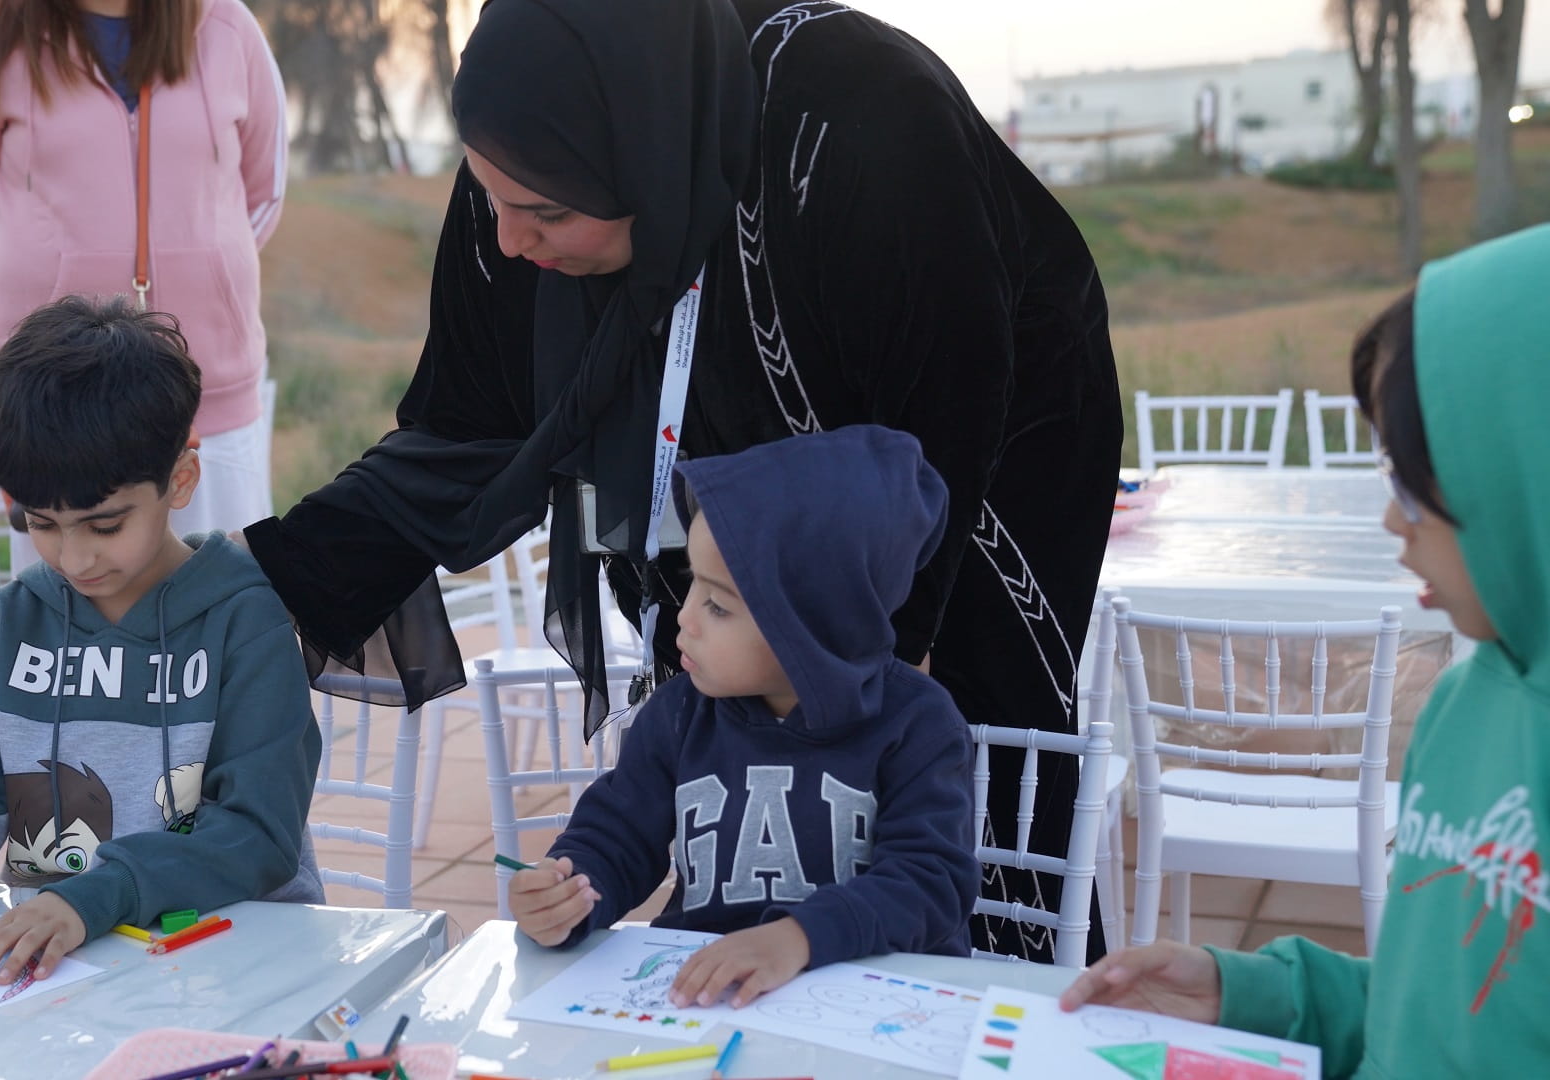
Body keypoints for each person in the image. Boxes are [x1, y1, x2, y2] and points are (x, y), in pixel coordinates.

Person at [244, 0, 1119, 962]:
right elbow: (467, 429)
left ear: (652, 158)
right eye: (492, 196)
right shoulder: (540, 135)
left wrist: (882, 655)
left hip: (972, 482)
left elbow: (946, 408)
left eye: (545, 212)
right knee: (734, 764)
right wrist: (264, 577)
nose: (509, 241)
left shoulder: (855, 116)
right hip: (748, 509)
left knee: (942, 786)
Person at [1058, 224, 1550, 1075]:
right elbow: (1428, 1002)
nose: (1393, 520)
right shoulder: (1470, 700)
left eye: (1411, 482)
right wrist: (1255, 995)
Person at [0, 296, 323, 986]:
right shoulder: (3, 630)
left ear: (180, 479)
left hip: (235, 964)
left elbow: (258, 831)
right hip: (61, 981)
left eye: (105, 524)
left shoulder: (245, 620)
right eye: (42, 523)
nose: (74, 558)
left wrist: (94, 895)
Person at [507, 426, 978, 1006]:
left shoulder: (915, 724)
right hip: (709, 1002)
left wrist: (799, 937)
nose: (686, 620)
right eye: (692, 587)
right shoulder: (680, 713)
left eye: (718, 604)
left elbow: (930, 883)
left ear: (811, 626)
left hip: (870, 1008)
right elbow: (620, 835)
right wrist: (568, 893)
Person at [0, 0, 287, 537]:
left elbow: (264, 192)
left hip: (211, 388)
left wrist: (204, 262)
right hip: (58, 394)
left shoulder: (227, 26)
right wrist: (45, 266)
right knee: (71, 600)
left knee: (225, 593)